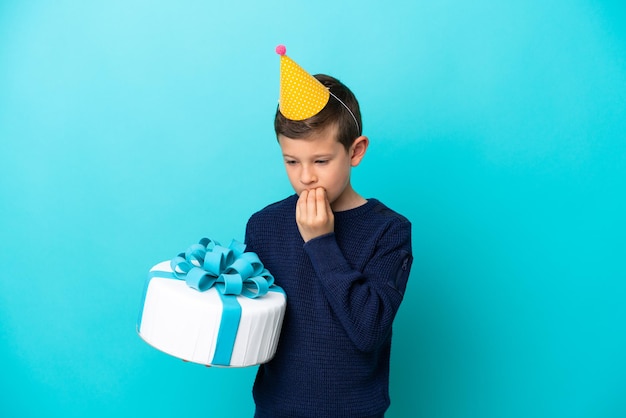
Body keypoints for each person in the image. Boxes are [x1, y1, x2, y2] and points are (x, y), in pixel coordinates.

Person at [244, 48, 413, 418]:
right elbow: (255, 322)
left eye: (321, 161)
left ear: (356, 151)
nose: (306, 176)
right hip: (275, 410)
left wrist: (321, 243)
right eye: (292, 161)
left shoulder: (389, 231)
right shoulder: (263, 226)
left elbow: (369, 331)